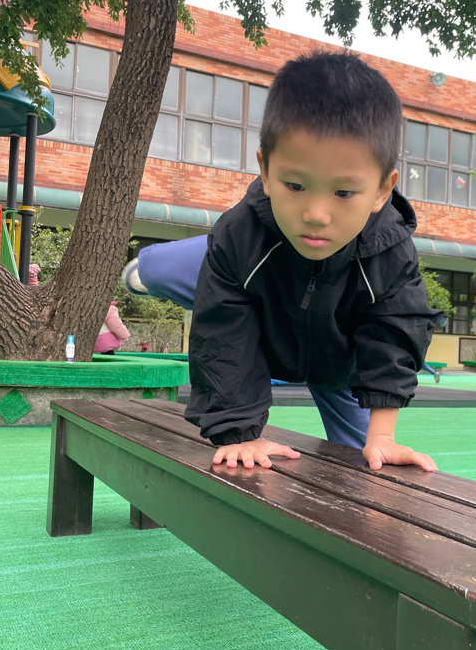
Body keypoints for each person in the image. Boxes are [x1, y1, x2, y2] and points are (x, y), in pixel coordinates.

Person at [182, 51, 441, 472]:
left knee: (365, 461)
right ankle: (154, 267)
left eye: (343, 193)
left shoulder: (391, 253)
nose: (316, 214)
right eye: (296, 185)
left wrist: (382, 436)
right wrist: (239, 433)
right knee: (186, 271)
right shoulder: (239, 237)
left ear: (382, 190)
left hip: (335, 357)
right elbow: (223, 336)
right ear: (266, 171)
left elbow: (394, 334)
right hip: (258, 290)